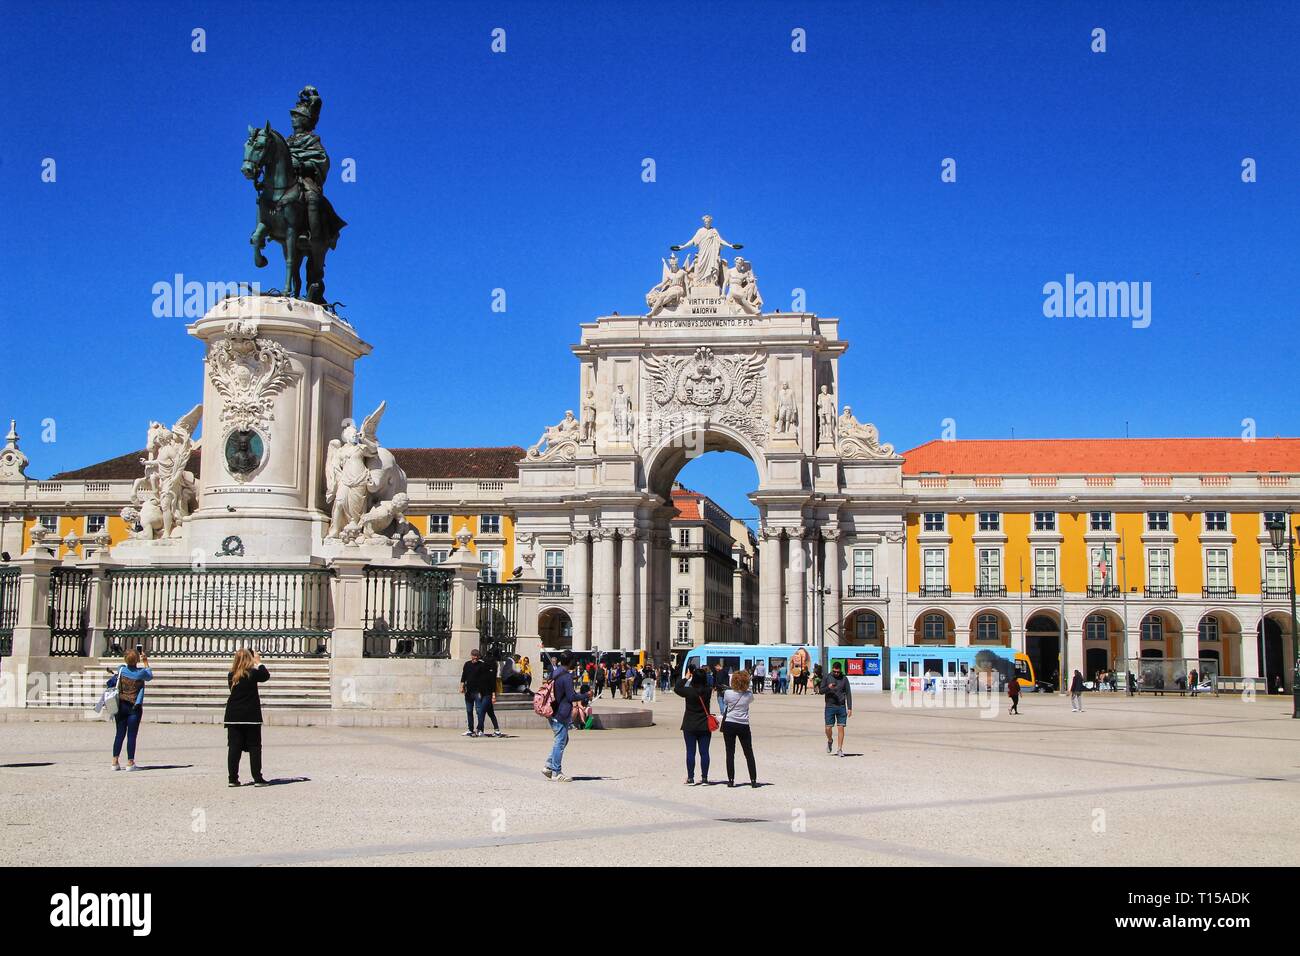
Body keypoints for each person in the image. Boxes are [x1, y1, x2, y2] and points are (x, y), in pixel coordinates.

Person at [225, 648, 270, 787]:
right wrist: (259, 662)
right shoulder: (253, 673)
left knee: (234, 748)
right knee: (255, 747)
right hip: (250, 715)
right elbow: (266, 676)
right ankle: (257, 778)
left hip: (233, 715)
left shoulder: (231, 675)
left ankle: (233, 778)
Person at [542, 652, 590, 781]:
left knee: (563, 740)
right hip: (561, 712)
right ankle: (556, 772)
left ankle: (548, 766)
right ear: (570, 661)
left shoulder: (555, 673)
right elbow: (571, 697)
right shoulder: (566, 676)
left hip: (552, 709)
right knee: (560, 742)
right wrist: (586, 695)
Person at [109, 648, 153, 771]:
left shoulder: (121, 669)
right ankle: (130, 762)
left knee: (119, 734)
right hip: (134, 706)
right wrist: (145, 661)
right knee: (132, 735)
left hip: (121, 704)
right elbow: (150, 676)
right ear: (137, 659)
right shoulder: (141, 673)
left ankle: (114, 761)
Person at [675, 667, 714, 785]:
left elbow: (677, 688)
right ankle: (705, 778)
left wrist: (687, 677)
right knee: (704, 752)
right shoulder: (708, 690)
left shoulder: (689, 691)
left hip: (690, 724)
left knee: (690, 752)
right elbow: (710, 683)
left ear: (694, 678)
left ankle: (691, 777)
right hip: (704, 725)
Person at [722, 670, 758, 788]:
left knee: (730, 752)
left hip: (730, 723)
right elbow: (751, 700)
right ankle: (753, 779)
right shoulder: (748, 695)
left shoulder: (728, 693)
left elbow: (725, 702)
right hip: (743, 724)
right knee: (748, 753)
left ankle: (731, 780)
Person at [459, 648, 499, 738]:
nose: (475, 658)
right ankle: (470, 729)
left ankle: (480, 730)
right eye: (474, 656)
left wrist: (490, 693)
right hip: (468, 691)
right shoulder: (467, 664)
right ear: (471, 656)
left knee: (479, 711)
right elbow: (464, 676)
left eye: (477, 656)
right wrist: (461, 686)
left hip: (478, 692)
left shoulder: (482, 665)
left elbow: (488, 679)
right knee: (469, 711)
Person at [822, 661, 852, 757]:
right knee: (828, 728)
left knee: (841, 728)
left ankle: (839, 749)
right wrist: (828, 687)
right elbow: (821, 691)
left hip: (841, 706)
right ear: (832, 670)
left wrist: (850, 707)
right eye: (834, 672)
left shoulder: (844, 679)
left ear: (840, 671)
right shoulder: (827, 677)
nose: (836, 674)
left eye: (838, 672)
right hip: (830, 706)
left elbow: (848, 693)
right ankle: (830, 740)